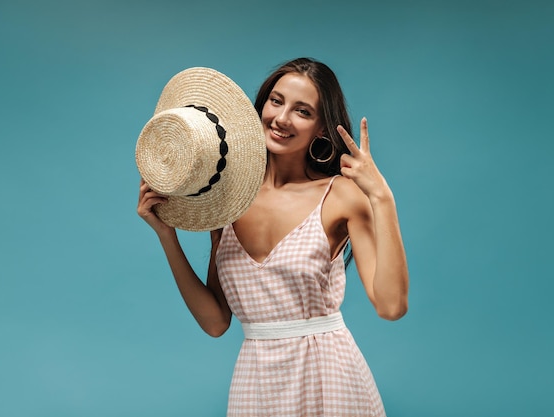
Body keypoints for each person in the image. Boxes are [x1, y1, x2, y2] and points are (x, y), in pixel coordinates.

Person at [137, 57, 409, 417]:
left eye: (302, 111)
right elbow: (216, 322)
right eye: (276, 101)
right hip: (256, 383)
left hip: (328, 377)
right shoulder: (226, 201)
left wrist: (382, 198)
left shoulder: (341, 195)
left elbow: (390, 307)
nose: (281, 119)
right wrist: (166, 234)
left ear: (322, 129)